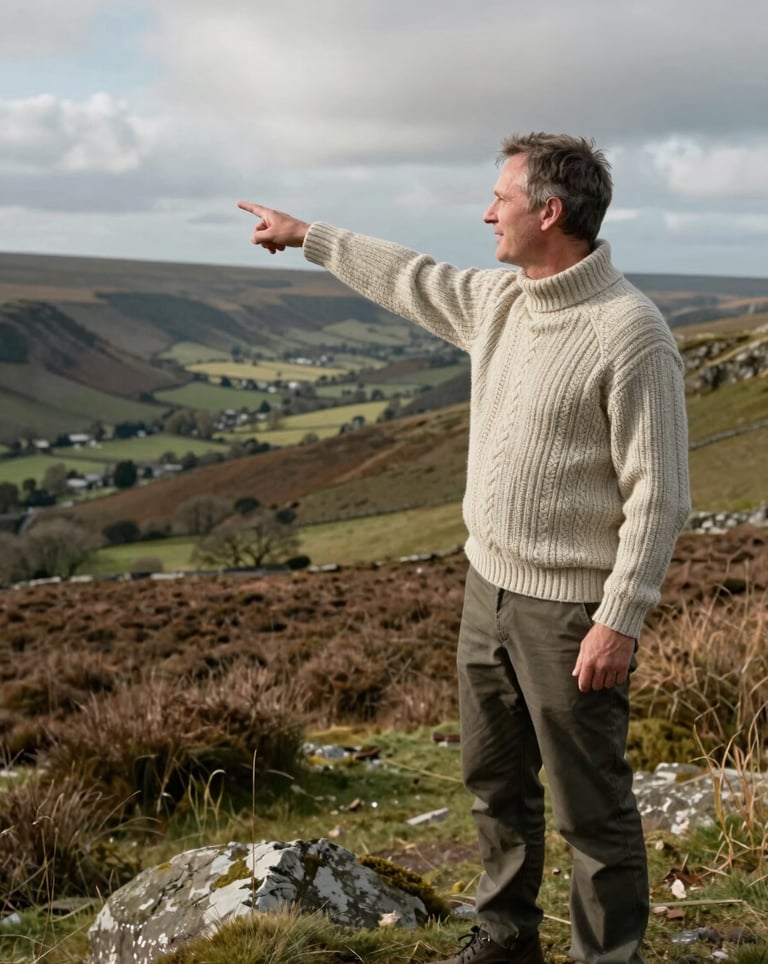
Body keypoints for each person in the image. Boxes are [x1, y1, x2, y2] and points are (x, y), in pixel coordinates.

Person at [238, 132, 691, 964]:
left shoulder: (631, 334)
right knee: (494, 785)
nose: (486, 214)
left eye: (501, 200)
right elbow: (411, 278)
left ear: (549, 212)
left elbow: (659, 494)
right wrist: (308, 236)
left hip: (571, 615)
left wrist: (618, 620)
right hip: (488, 590)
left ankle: (609, 957)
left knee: (592, 808)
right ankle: (507, 937)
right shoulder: (501, 302)